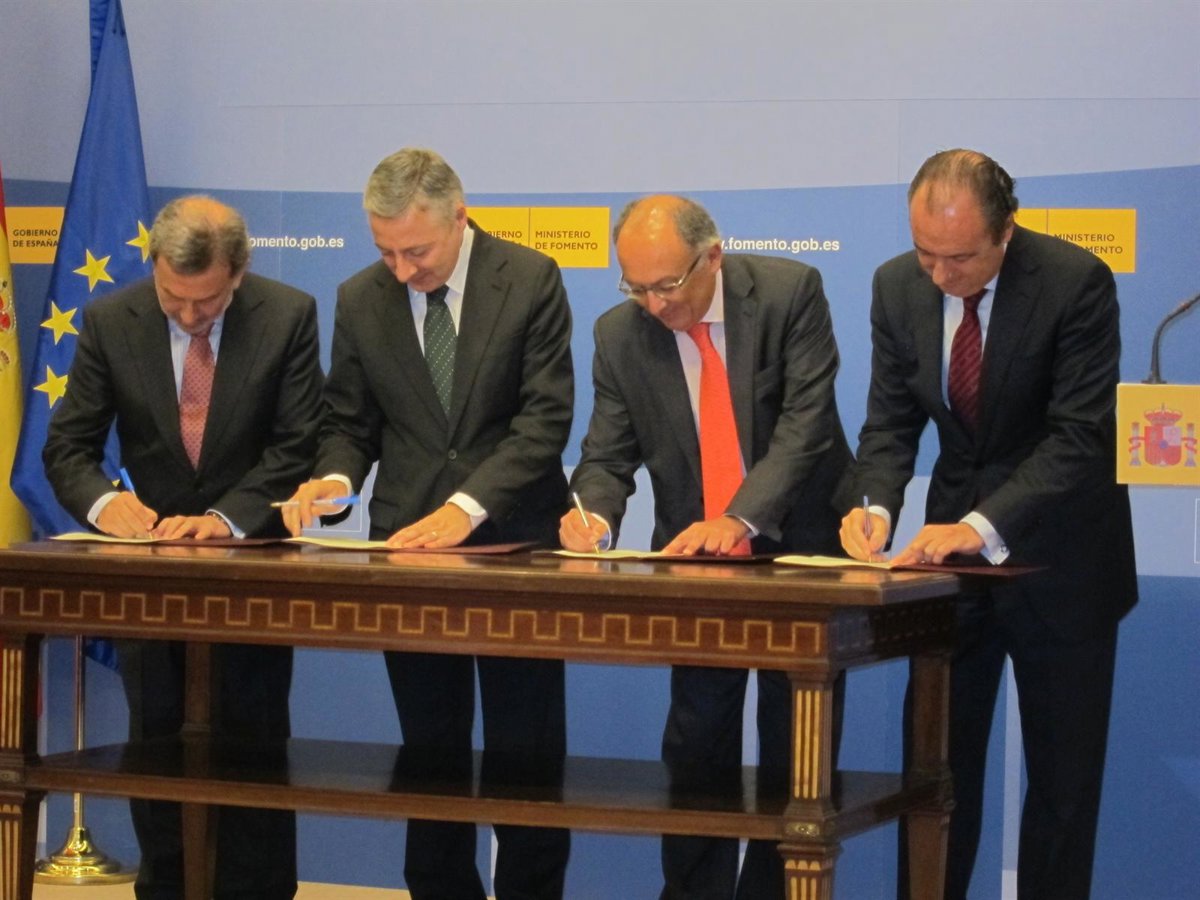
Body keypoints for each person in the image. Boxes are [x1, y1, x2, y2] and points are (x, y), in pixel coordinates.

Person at [839, 149, 1137, 900]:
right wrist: (874, 505)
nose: (941, 274)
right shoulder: (894, 285)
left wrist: (978, 525)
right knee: (934, 779)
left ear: (1007, 231)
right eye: (926, 253)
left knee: (1063, 790)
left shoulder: (1075, 282)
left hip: (1064, 563)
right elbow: (889, 423)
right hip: (952, 577)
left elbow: (1078, 437)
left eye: (961, 257)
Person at [282, 147, 573, 900]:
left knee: (525, 747)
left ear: (459, 217)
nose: (401, 269)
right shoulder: (360, 297)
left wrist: (463, 509)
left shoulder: (530, 278)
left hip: (516, 544)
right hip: (408, 551)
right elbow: (349, 423)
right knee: (430, 747)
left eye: (417, 251)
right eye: (386, 252)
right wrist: (334, 481)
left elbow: (543, 423)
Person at [561, 195, 852, 899]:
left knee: (796, 757)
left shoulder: (788, 294)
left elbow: (806, 426)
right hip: (696, 564)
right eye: (636, 287)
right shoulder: (619, 333)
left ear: (712, 256)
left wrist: (741, 517)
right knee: (696, 748)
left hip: (798, 552)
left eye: (668, 284)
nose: (655, 304)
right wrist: (592, 517)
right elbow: (607, 455)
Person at [43, 195, 324, 900]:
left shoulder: (286, 315)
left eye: (209, 301)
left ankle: (258, 892)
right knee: (157, 744)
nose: (191, 316)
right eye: (175, 298)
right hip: (155, 575)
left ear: (239, 273)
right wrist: (107, 506)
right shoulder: (113, 319)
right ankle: (166, 888)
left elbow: (298, 445)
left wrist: (227, 519)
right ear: (154, 267)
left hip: (252, 571)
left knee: (253, 745)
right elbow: (68, 447)